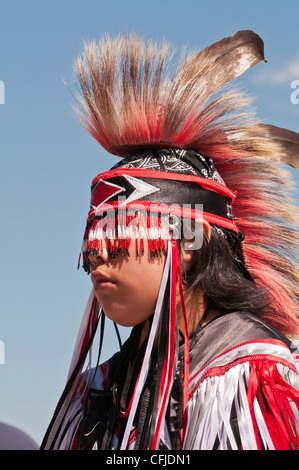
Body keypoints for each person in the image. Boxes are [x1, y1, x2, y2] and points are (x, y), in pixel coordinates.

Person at [41, 30, 299, 450]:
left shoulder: (249, 376)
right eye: (92, 243)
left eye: (121, 237)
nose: (97, 258)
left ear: (191, 245)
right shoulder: (96, 392)